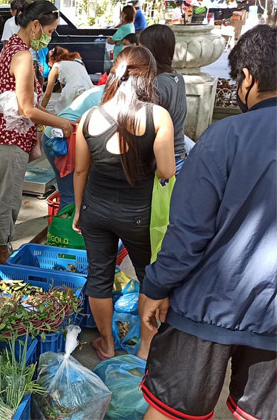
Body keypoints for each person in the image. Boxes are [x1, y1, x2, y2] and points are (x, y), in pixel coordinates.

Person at [139, 25, 276, 420]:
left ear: (248, 77)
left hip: (208, 307)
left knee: (170, 410)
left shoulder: (224, 137)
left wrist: (156, 286)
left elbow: (188, 231)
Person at [71, 47, 175, 361]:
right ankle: (145, 348)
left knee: (99, 277)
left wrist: (78, 210)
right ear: (150, 77)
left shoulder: (89, 118)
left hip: (96, 211)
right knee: (148, 276)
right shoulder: (158, 116)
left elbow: (80, 170)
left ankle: (106, 343)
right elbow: (167, 171)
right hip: (139, 216)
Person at [0, 0, 74, 264]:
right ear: (36, 26)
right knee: (7, 199)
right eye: (50, 31)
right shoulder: (24, 56)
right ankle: (2, 255)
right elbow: (28, 109)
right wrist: (62, 123)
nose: (49, 37)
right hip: (9, 141)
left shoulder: (10, 47)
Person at [42, 85, 105, 209]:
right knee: (71, 195)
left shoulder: (104, 90)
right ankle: (67, 226)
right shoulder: (113, 99)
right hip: (64, 139)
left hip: (54, 135)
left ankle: (65, 223)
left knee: (69, 192)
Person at [139, 25, 187, 174]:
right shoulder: (177, 77)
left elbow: (146, 129)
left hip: (163, 158)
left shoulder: (156, 84)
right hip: (179, 154)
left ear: (152, 52)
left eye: (141, 49)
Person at [42, 46, 93, 113]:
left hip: (73, 91)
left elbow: (48, 94)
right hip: (89, 90)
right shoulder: (78, 62)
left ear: (50, 61)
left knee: (62, 115)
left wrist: (40, 110)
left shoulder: (56, 66)